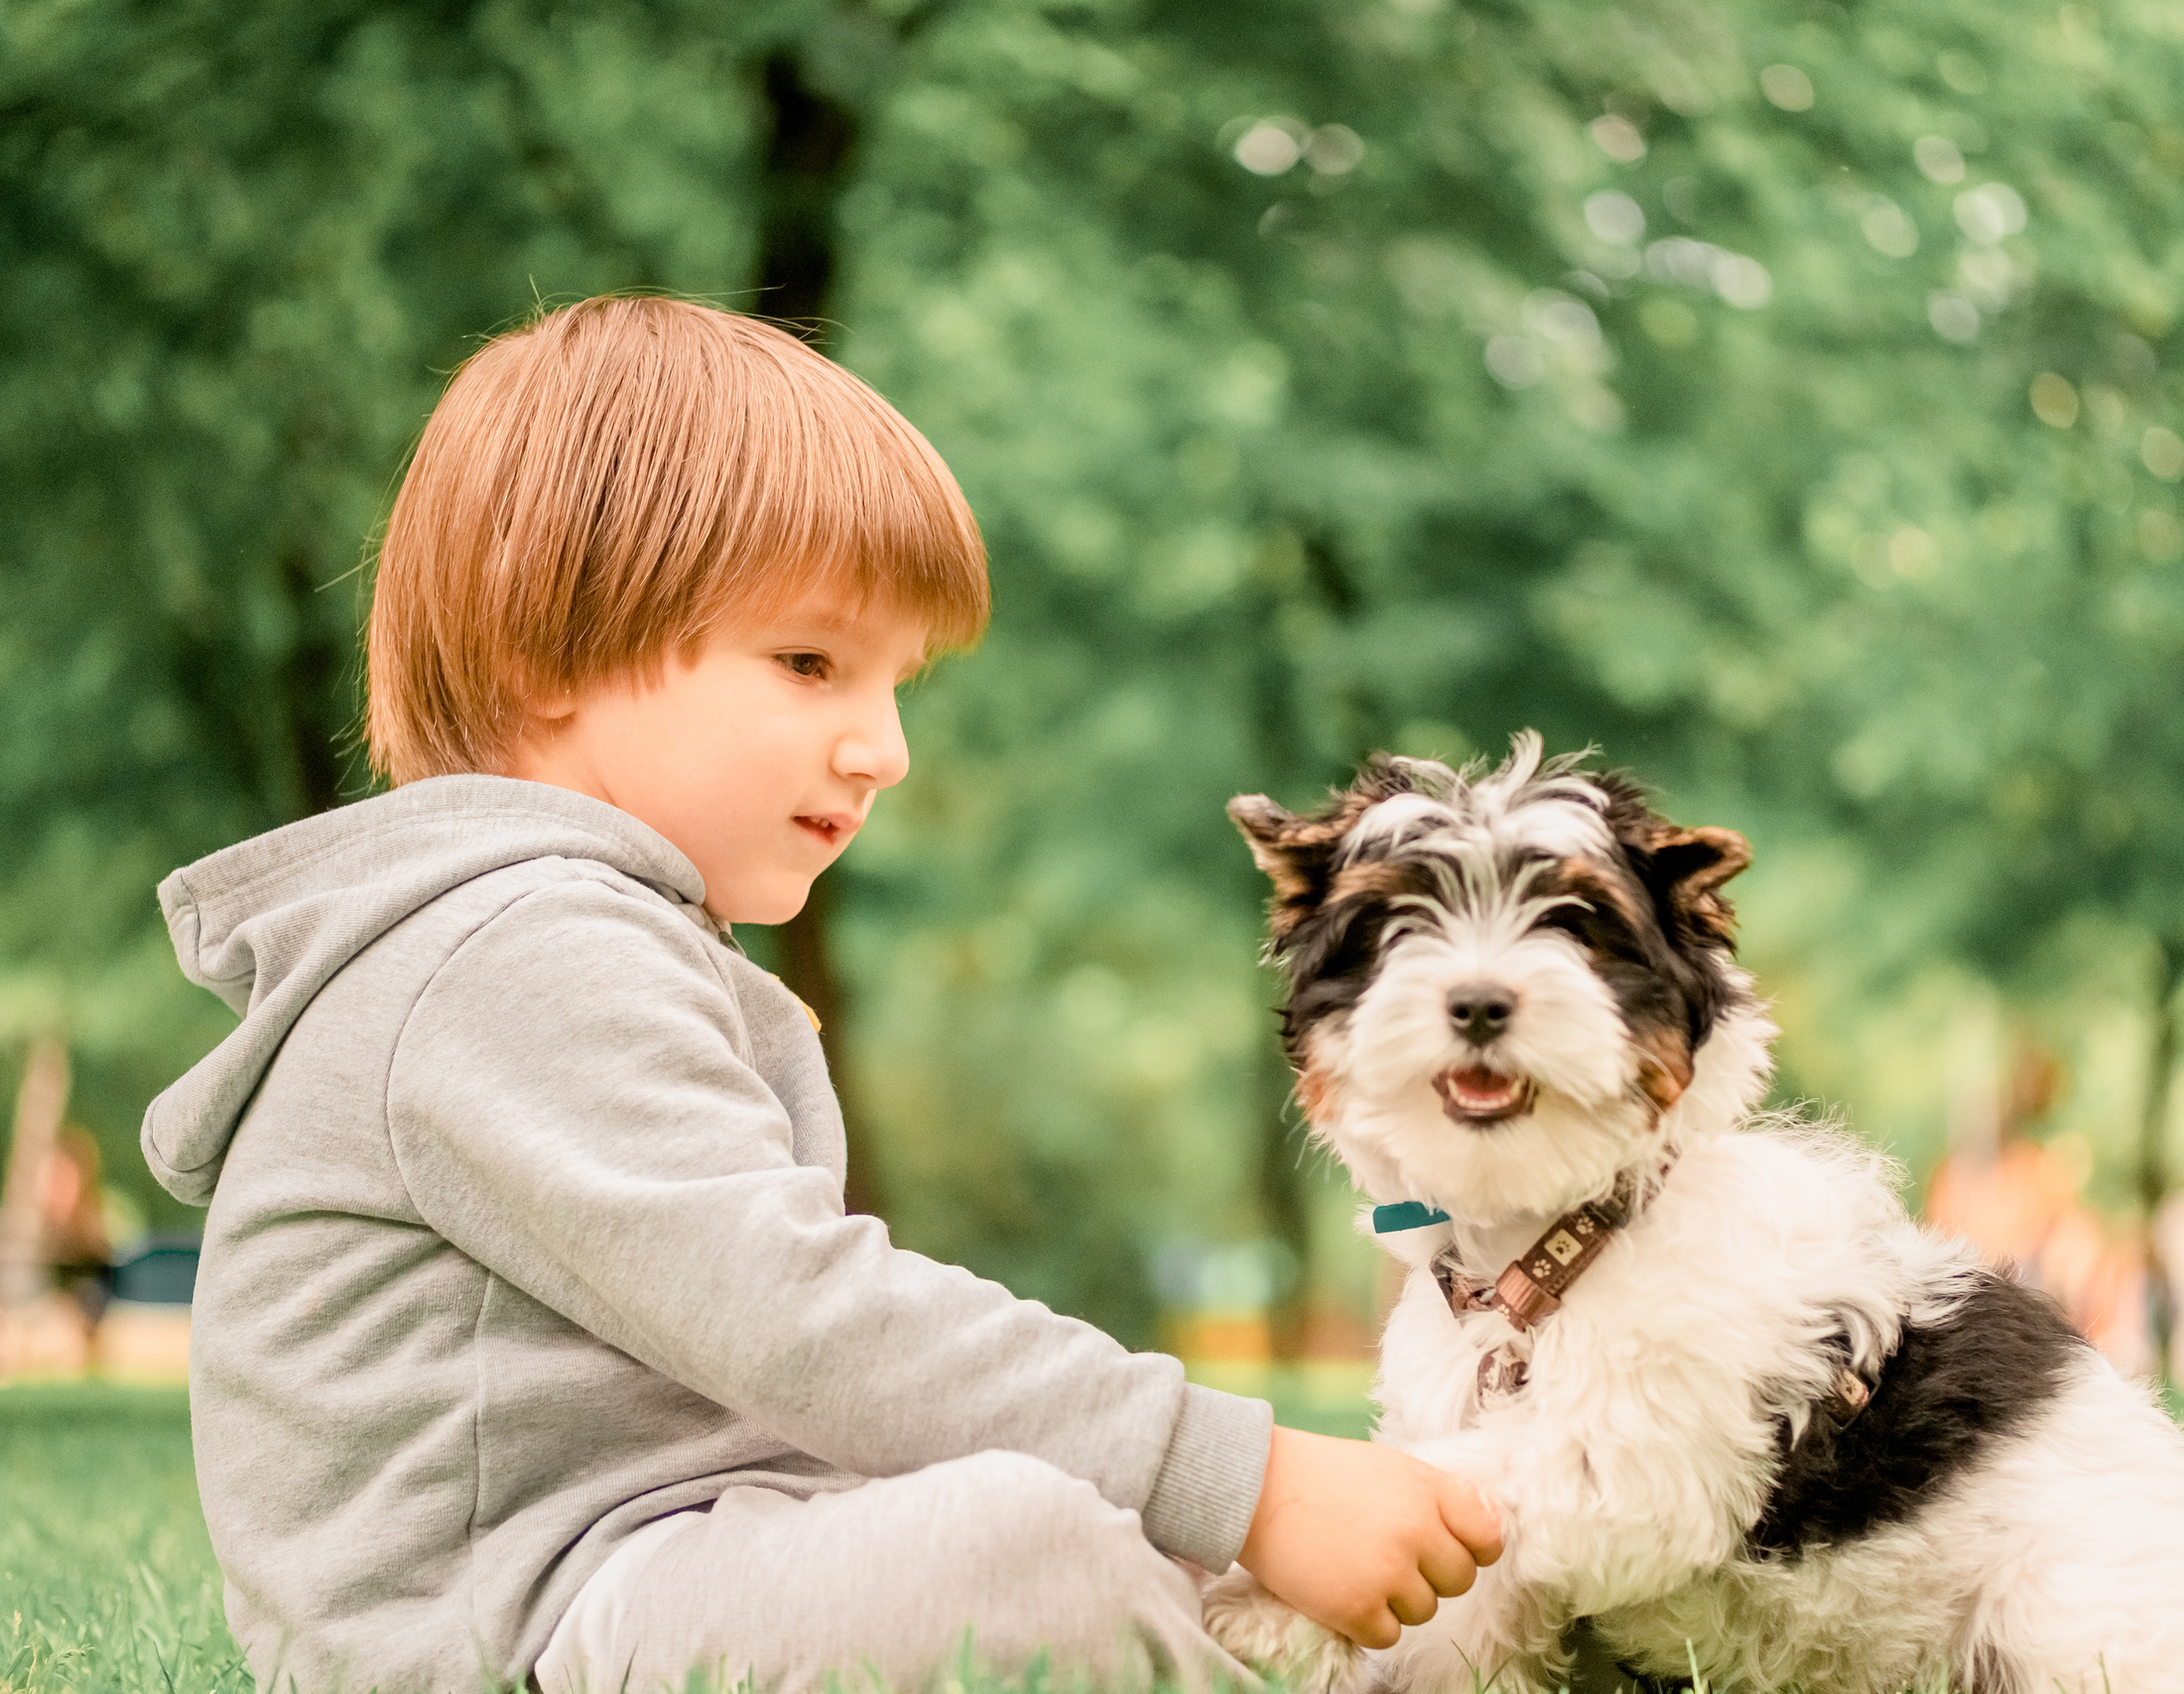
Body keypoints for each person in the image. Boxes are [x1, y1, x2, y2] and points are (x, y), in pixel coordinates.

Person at [142, 295, 1499, 1694]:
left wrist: (1210, 1514)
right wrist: (1243, 1479)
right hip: (529, 1633)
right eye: (809, 664)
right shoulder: (518, 950)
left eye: (898, 684)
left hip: (680, 1564)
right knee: (1028, 1547)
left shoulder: (602, 941)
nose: (885, 750)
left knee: (1113, 1528)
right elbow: (807, 1321)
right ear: (540, 662)